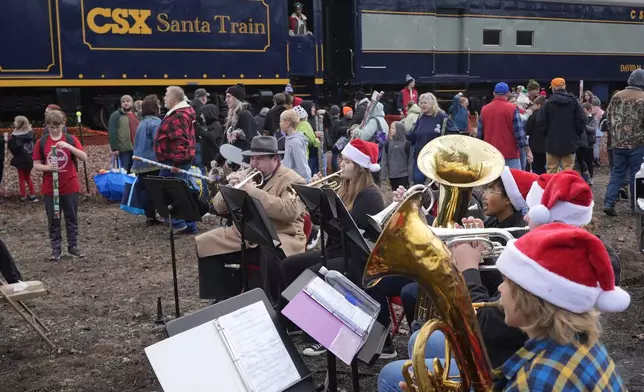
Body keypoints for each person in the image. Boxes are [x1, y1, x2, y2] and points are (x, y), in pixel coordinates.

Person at [278, 139, 392, 357]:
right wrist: (315, 201)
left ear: (359, 167)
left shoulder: (370, 195)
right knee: (289, 265)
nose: (341, 165)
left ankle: (323, 335)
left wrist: (325, 204)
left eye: (347, 161)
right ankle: (299, 323)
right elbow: (325, 223)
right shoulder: (344, 189)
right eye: (342, 160)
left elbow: (350, 232)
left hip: (359, 258)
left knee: (313, 276)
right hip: (337, 252)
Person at [490, 224, 628, 390]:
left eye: (506, 281)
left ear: (531, 298)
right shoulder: (582, 341)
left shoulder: (535, 382)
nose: (500, 288)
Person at [195, 136, 307, 304]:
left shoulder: (293, 179)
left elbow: (290, 211)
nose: (254, 163)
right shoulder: (247, 173)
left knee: (269, 251)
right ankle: (221, 297)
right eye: (252, 158)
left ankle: (272, 302)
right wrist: (230, 187)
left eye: (260, 159)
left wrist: (254, 192)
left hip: (281, 235)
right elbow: (218, 208)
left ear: (275, 159)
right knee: (205, 243)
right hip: (247, 233)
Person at [33, 110, 88, 261]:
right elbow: (36, 165)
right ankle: (55, 248)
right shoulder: (42, 142)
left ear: (63, 125)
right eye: (52, 127)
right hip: (50, 188)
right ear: (47, 126)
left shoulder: (70, 139)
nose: (55, 130)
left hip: (70, 186)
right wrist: (48, 167)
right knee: (53, 218)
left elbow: (84, 157)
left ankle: (73, 246)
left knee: (71, 217)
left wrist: (69, 147)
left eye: (58, 126)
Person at [154, 86, 198, 234]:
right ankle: (190, 225)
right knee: (182, 192)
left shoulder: (178, 116)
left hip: (173, 162)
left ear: (174, 99)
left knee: (163, 191)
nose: (164, 99)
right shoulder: (181, 113)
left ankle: (178, 223)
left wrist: (176, 163)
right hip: (176, 160)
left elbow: (181, 141)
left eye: (166, 96)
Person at [603, 68, 644, 216]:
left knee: (617, 172)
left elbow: (608, 117)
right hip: (638, 143)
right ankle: (635, 206)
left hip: (617, 143)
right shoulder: (643, 97)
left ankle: (609, 202)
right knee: (636, 174)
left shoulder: (617, 96)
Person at [477, 82, 532, 170]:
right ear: (508, 93)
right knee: (512, 181)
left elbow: (479, 134)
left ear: (494, 93)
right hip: (510, 154)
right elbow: (520, 134)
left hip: (491, 154)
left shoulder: (484, 109)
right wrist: (528, 151)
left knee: (493, 182)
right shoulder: (512, 109)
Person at [408, 92, 458, 184]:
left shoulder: (442, 116)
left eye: (425, 103)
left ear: (432, 103)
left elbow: (454, 132)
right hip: (421, 155)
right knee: (417, 180)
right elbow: (414, 134)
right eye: (421, 103)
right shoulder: (420, 118)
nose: (422, 105)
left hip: (436, 156)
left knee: (436, 183)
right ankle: (421, 197)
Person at [538, 78, 586, 173]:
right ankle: (566, 187)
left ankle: (553, 188)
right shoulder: (574, 102)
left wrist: (547, 134)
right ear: (564, 87)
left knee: (551, 170)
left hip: (552, 142)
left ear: (554, 88)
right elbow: (582, 120)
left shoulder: (548, 103)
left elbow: (540, 121)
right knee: (568, 171)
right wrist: (576, 134)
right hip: (570, 142)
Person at [131, 95, 163, 225]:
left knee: (145, 190)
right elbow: (159, 142)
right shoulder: (155, 123)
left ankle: (150, 217)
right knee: (155, 191)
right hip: (152, 163)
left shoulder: (142, 123)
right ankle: (161, 215)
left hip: (139, 162)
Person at [8, 116, 37, 201]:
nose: (14, 123)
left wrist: (10, 138)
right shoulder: (31, 133)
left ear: (19, 124)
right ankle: (32, 194)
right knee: (28, 177)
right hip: (29, 158)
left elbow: (13, 147)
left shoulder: (16, 136)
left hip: (20, 159)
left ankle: (23, 195)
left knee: (21, 177)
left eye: (15, 122)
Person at [108, 95, 139, 173]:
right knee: (124, 171)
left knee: (135, 171)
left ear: (132, 103)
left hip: (136, 149)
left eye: (128, 101)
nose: (125, 103)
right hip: (123, 149)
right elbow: (112, 132)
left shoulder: (137, 115)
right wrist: (115, 148)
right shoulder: (115, 115)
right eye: (123, 102)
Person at [280, 109, 311, 182]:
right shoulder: (289, 139)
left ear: (287, 123)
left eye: (281, 121)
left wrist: (307, 181)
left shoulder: (295, 142)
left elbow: (301, 164)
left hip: (297, 181)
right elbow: (288, 160)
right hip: (290, 179)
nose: (280, 124)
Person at [382, 121, 411, 190]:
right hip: (392, 176)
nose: (390, 129)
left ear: (399, 130)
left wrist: (410, 179)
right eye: (390, 128)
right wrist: (383, 177)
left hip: (404, 176)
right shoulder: (387, 144)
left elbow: (410, 162)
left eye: (393, 128)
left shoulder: (407, 144)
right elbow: (384, 161)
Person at [525, 95, 547, 174]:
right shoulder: (548, 116)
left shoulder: (532, 116)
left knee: (536, 167)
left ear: (538, 105)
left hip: (534, 146)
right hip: (546, 146)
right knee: (545, 166)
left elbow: (528, 130)